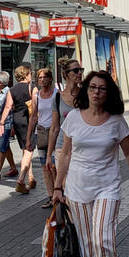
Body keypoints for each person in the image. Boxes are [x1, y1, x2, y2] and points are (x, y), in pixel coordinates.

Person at [53, 70, 129, 257]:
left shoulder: (116, 121)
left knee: (103, 240)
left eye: (102, 88)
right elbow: (66, 154)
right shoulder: (73, 118)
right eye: (92, 87)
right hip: (77, 189)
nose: (96, 92)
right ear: (86, 90)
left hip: (107, 188)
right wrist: (58, 187)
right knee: (86, 243)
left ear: (108, 93)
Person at [46, 58, 83, 205]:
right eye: (76, 70)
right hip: (62, 147)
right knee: (66, 186)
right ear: (66, 74)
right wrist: (49, 155)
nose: (79, 73)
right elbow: (54, 127)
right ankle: (71, 216)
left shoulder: (86, 95)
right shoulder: (57, 97)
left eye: (80, 70)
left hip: (81, 147)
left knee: (79, 185)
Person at [0, 64, 36, 194]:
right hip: (29, 120)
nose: (31, 76)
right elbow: (36, 106)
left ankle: (31, 177)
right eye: (30, 74)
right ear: (26, 75)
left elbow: (8, 107)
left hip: (17, 120)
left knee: (26, 149)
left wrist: (1, 123)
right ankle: (21, 180)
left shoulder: (12, 89)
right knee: (29, 149)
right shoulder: (32, 87)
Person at [29, 66, 58, 207]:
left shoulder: (57, 94)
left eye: (44, 77)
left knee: (54, 166)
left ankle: (59, 194)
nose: (42, 80)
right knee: (45, 167)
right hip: (41, 133)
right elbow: (34, 116)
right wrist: (28, 137)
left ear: (50, 78)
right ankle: (51, 196)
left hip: (54, 132)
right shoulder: (37, 96)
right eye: (39, 77)